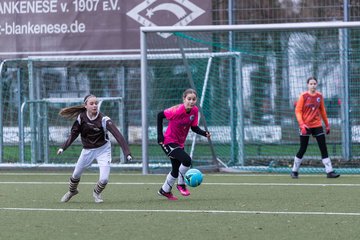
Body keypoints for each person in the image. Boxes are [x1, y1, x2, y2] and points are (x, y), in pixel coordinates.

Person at [57, 94, 132, 203]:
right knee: (76, 175)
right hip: (87, 150)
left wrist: (127, 153)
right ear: (86, 105)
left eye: (96, 103)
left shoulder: (104, 120)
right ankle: (72, 191)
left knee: (104, 179)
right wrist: (63, 147)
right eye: (91, 103)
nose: (94, 105)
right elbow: (73, 134)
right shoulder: (81, 118)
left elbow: (118, 135)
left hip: (103, 150)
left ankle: (96, 193)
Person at [157, 88, 211, 200]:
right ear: (184, 99)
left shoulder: (195, 111)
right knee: (186, 160)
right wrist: (160, 136)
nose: (191, 101)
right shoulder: (176, 110)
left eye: (194, 99)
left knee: (175, 170)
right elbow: (159, 115)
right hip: (168, 141)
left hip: (179, 143)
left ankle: (165, 190)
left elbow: (194, 127)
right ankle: (181, 184)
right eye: (189, 99)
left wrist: (204, 133)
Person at [291, 77, 340, 179]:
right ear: (307, 85)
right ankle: (294, 171)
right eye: (311, 84)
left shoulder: (319, 96)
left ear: (316, 85)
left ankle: (329, 171)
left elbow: (322, 111)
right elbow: (298, 111)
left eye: (314, 83)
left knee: (323, 147)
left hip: (317, 125)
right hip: (305, 125)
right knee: (303, 148)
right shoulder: (303, 96)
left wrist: (327, 124)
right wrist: (301, 124)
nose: (313, 85)